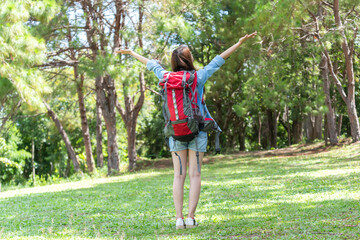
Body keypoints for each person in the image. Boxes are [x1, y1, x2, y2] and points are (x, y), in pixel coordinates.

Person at [115, 32, 257, 229]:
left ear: (173, 62)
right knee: (195, 175)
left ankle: (179, 219)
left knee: (178, 175)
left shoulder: (166, 76)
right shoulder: (198, 77)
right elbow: (219, 60)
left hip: (175, 131)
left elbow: (151, 64)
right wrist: (239, 42)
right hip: (197, 131)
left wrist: (131, 52)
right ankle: (191, 218)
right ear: (189, 60)